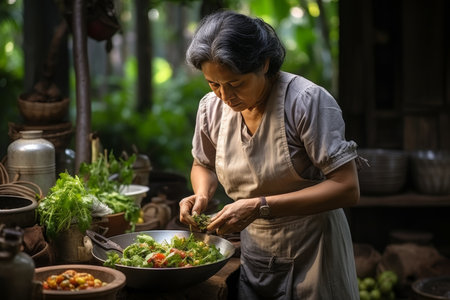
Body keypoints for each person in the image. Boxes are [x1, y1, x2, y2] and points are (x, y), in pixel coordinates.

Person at [180, 10, 360, 300]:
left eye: (236, 84)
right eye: (214, 84)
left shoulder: (305, 102)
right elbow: (203, 164)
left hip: (315, 250)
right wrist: (201, 194)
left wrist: (259, 206)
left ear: (264, 64)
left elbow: (347, 188)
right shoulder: (210, 107)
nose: (225, 96)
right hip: (256, 251)